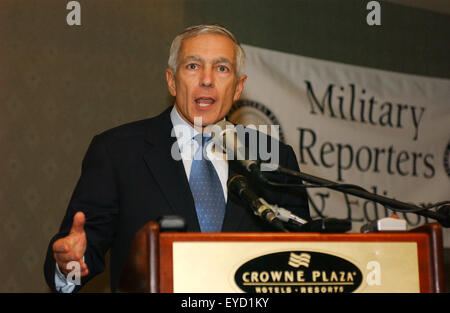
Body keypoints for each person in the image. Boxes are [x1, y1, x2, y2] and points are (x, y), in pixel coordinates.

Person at [44, 24, 310, 293]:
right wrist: (69, 266)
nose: (207, 80)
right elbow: (78, 253)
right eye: (193, 66)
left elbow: (302, 262)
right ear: (171, 81)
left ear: (238, 87)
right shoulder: (118, 151)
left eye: (222, 68)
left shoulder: (274, 157)